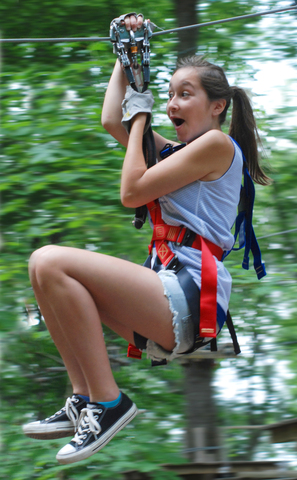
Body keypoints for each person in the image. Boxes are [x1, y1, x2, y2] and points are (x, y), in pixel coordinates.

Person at [22, 13, 269, 465]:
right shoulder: (179, 153)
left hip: (188, 294)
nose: (172, 102)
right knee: (47, 276)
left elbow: (131, 191)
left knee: (50, 259)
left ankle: (109, 403)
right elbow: (110, 120)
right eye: (170, 94)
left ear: (217, 106)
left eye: (184, 94)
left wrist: (140, 114)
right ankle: (83, 399)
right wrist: (127, 56)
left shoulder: (217, 146)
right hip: (166, 292)